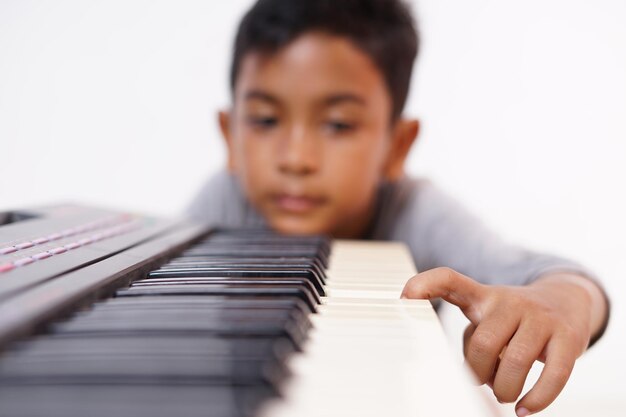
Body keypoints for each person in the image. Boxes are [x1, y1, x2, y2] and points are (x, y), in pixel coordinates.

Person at [187, 0, 610, 415]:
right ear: (229, 135)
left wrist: (563, 300)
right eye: (264, 120)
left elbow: (554, 275)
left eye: (337, 124)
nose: (295, 158)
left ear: (397, 146)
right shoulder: (222, 201)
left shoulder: (417, 210)